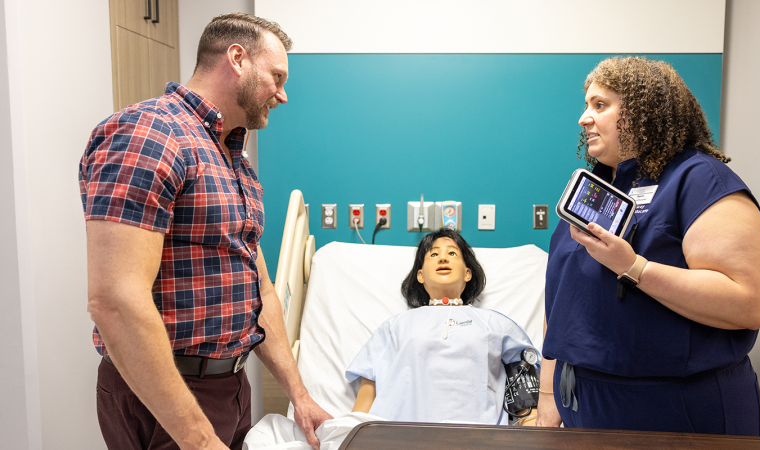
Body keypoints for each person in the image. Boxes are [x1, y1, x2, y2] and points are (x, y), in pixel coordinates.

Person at [79, 13, 331, 450]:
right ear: (237, 58)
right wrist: (199, 439)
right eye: (276, 77)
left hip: (228, 387)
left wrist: (300, 395)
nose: (283, 95)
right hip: (167, 395)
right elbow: (115, 302)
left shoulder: (231, 157)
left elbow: (259, 287)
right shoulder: (150, 134)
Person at [536, 56, 760, 435]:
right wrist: (548, 394)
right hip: (582, 402)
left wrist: (634, 268)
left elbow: (751, 303)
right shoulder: (599, 188)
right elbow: (561, 296)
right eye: (586, 105)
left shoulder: (700, 179)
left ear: (643, 109)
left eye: (600, 105)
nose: (584, 118)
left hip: (676, 409)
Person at [346, 229, 538, 425]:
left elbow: (524, 381)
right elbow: (367, 393)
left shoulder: (494, 323)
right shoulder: (395, 326)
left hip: (479, 436)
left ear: (467, 273)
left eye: (452, 253)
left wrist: (532, 428)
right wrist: (352, 431)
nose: (443, 258)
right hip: (401, 436)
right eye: (434, 254)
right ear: (420, 275)